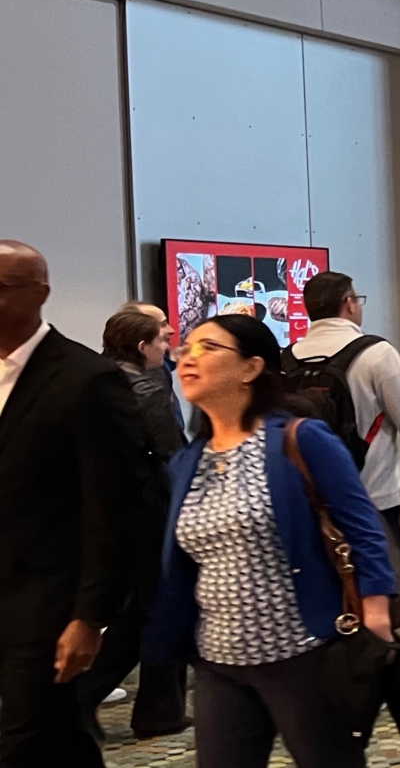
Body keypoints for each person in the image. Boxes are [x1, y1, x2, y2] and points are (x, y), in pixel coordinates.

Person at [145, 311, 396, 767]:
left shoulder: (300, 439)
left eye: (208, 347)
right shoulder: (189, 460)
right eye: (185, 348)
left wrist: (376, 612)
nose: (187, 358)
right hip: (218, 659)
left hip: (301, 651)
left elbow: (362, 526)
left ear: (251, 367)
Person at [0, 242, 149, 765]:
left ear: (39, 293)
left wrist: (90, 616)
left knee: (24, 741)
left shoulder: (85, 380)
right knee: (60, 738)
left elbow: (113, 505)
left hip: (47, 601)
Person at [290, 271, 400, 624]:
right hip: (372, 500)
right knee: (380, 603)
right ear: (349, 304)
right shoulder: (375, 353)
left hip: (307, 499)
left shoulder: (287, 360)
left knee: (323, 601)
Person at [77, 310, 191, 741]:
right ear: (143, 347)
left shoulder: (95, 381)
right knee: (157, 608)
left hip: (111, 513)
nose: (168, 346)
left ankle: (154, 708)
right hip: (151, 514)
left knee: (145, 610)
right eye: (161, 340)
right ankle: (102, 699)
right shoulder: (147, 388)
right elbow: (169, 454)